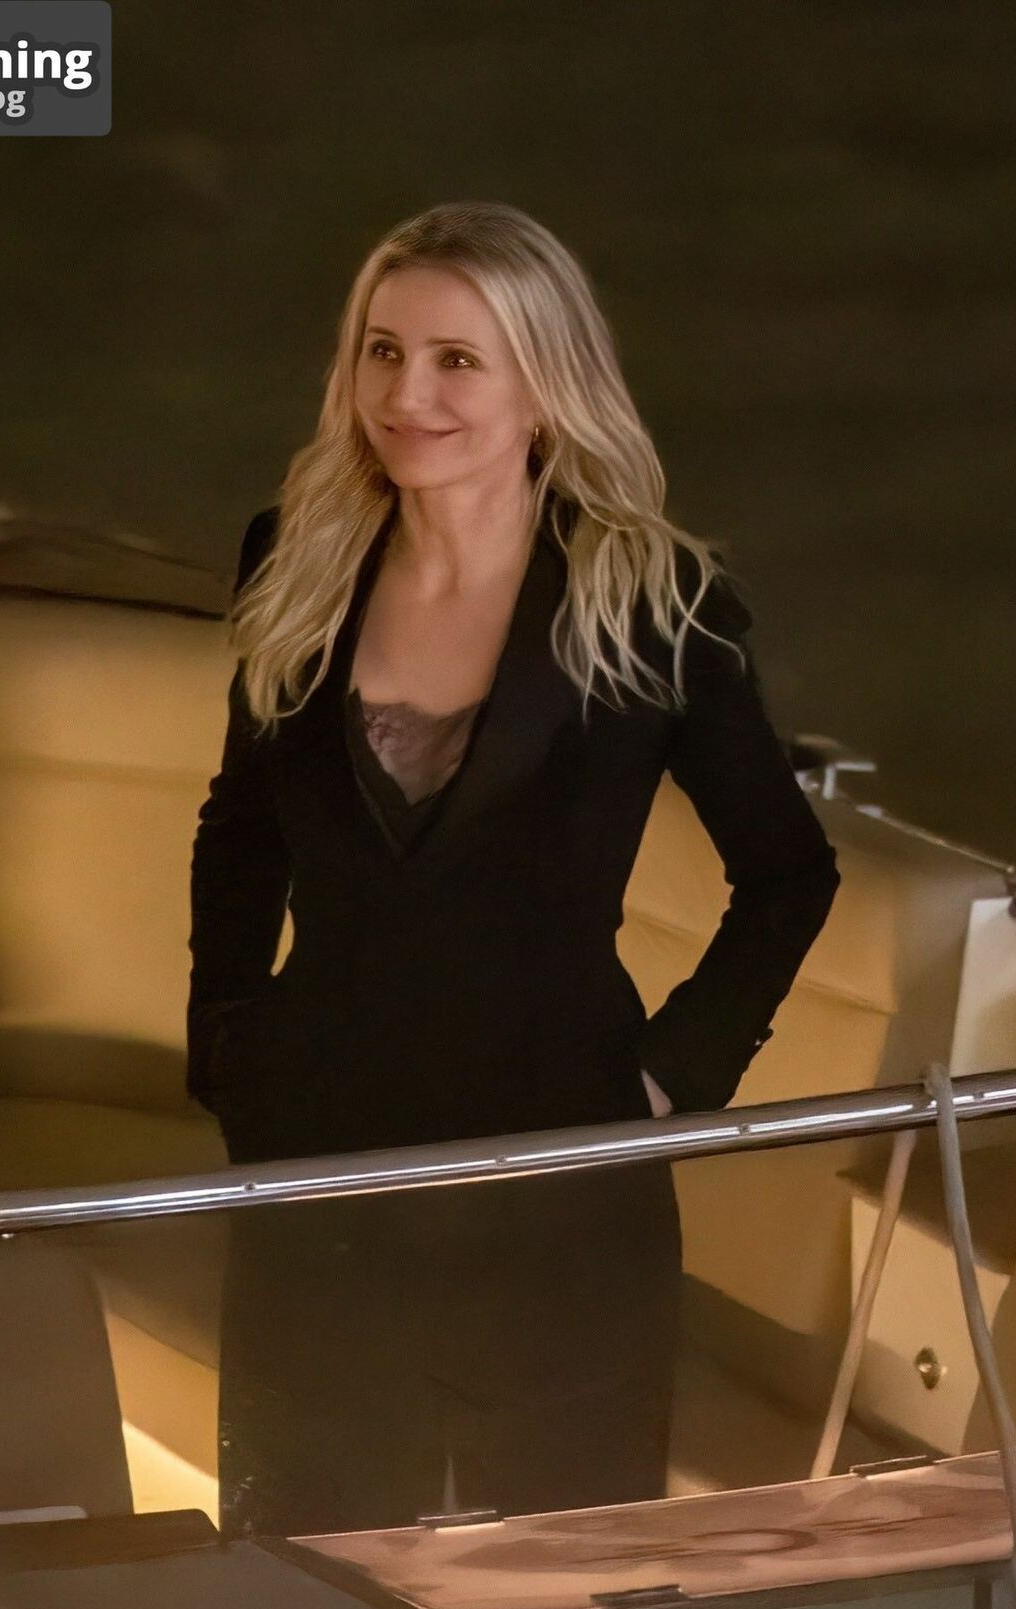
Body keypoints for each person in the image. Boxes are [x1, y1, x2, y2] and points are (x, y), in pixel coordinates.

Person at [188, 201, 840, 1538]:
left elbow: (788, 872)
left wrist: (668, 1083)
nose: (405, 395)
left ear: (544, 383)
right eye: (382, 351)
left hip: (559, 1157)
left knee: (558, 1560)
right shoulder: (292, 559)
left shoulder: (654, 602)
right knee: (301, 1549)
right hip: (318, 1151)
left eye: (456, 361)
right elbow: (241, 826)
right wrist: (227, 1038)